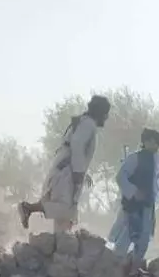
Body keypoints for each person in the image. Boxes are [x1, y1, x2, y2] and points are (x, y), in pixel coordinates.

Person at [18, 95, 111, 232]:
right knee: (65, 209)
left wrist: (83, 173)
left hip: (65, 168)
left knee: (63, 209)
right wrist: (78, 172)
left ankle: (60, 240)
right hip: (67, 170)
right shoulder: (88, 124)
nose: (106, 117)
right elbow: (77, 145)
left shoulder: (83, 122)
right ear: (100, 112)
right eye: (105, 114)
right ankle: (29, 208)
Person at [109, 128, 159, 268]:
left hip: (148, 204)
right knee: (127, 234)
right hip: (133, 204)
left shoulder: (157, 159)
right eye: (152, 142)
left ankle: (134, 267)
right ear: (145, 142)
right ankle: (114, 265)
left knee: (144, 237)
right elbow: (121, 177)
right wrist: (134, 192)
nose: (155, 145)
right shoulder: (134, 158)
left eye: (157, 143)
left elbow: (155, 183)